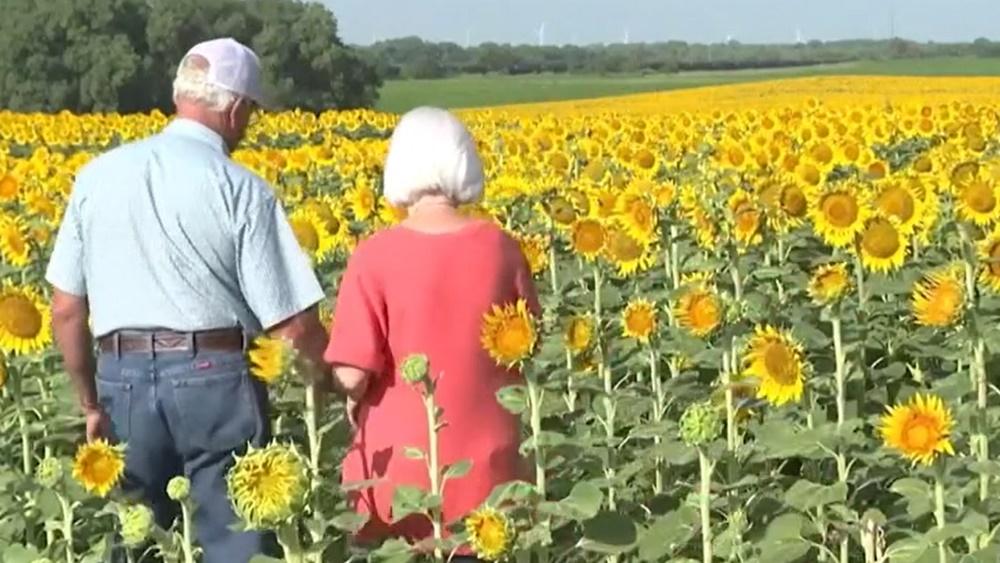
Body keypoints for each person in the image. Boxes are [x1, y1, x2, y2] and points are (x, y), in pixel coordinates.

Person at [45, 38, 329, 563]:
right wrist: (325, 384)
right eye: (251, 115)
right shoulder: (240, 187)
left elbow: (65, 308)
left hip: (121, 375)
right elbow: (292, 324)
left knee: (136, 536)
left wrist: (89, 402)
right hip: (215, 375)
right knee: (234, 532)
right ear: (238, 109)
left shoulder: (96, 177)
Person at [324, 106, 540, 560]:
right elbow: (529, 344)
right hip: (489, 467)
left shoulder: (374, 255)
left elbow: (351, 373)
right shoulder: (501, 248)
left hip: (397, 476)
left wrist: (344, 395)